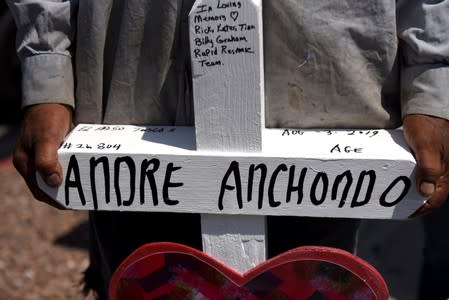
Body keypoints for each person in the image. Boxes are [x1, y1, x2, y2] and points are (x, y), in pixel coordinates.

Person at [6, 0, 449, 298]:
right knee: (140, 276)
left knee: (310, 277)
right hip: (132, 88)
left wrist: (433, 78)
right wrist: (46, 67)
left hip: (328, 95)